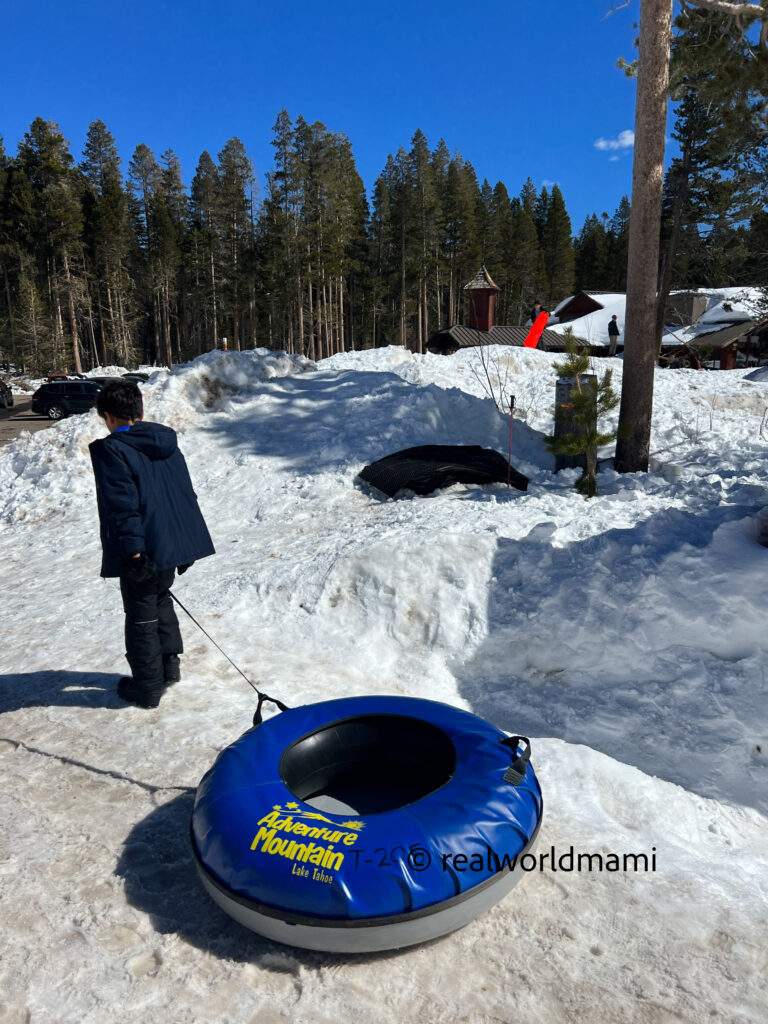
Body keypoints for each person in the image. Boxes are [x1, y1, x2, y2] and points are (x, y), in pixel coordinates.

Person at [89, 381, 215, 708]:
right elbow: (183, 494)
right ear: (139, 411)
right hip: (169, 545)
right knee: (160, 600)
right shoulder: (165, 442)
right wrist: (183, 545)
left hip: (142, 549)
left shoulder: (113, 450)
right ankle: (168, 670)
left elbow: (122, 506)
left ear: (109, 416)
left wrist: (133, 553)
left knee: (141, 614)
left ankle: (147, 687)